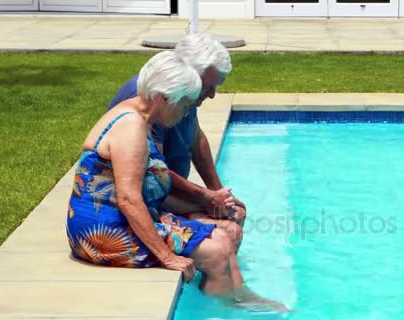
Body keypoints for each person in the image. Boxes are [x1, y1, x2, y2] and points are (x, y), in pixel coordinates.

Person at [66, 51, 286, 311]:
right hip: (104, 231)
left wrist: (207, 200)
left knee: (229, 231)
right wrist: (166, 256)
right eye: (183, 105)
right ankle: (232, 304)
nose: (185, 114)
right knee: (218, 250)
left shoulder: (141, 118)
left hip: (121, 217)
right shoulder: (131, 126)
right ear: (163, 97)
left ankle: (218, 297)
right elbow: (128, 199)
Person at [107, 33, 245, 252]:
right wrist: (205, 196)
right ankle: (210, 280)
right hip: (152, 199)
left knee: (234, 212)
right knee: (228, 231)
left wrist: (218, 191)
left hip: (164, 191)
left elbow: (196, 137)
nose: (212, 95)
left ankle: (213, 279)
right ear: (185, 70)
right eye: (208, 86)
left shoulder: (183, 96)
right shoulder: (156, 99)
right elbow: (153, 172)